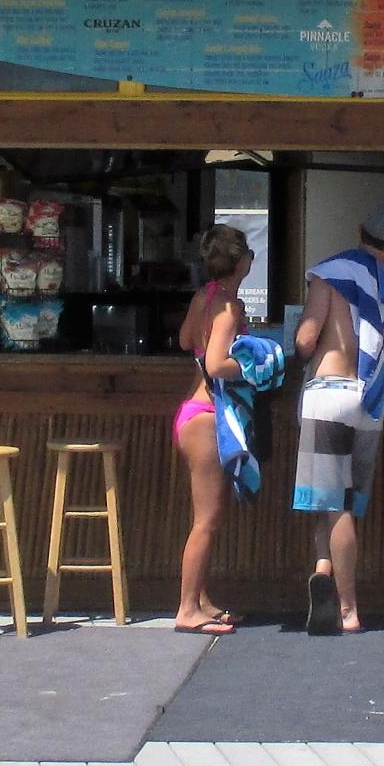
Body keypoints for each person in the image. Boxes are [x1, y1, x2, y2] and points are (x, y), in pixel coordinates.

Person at [292, 202, 384, 634]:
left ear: (360, 228)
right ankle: (323, 568)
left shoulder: (332, 272)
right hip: (370, 401)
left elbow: (307, 339)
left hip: (330, 393)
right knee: (338, 501)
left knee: (333, 503)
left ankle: (346, 608)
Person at [169, 223, 254, 633]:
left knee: (207, 517)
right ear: (244, 262)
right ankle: (187, 609)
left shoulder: (204, 296)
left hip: (191, 409)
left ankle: (201, 600)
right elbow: (218, 364)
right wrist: (258, 363)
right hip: (207, 415)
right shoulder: (229, 307)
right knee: (207, 519)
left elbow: (187, 340)